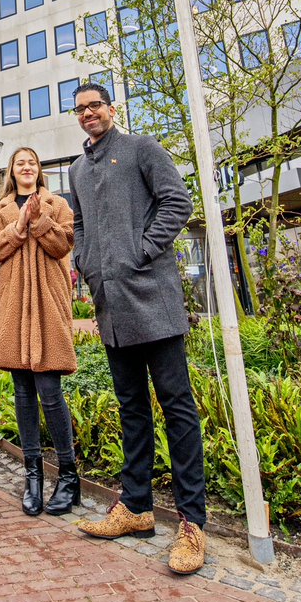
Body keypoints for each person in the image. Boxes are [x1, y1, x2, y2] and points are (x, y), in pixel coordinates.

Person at [66, 83, 207, 575]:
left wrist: (139, 252)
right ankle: (137, 507)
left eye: (95, 106)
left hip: (154, 298)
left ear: (111, 109)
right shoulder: (77, 169)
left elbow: (177, 203)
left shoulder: (142, 148)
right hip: (110, 305)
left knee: (177, 407)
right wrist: (88, 264)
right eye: (81, 109)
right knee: (131, 408)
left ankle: (193, 524)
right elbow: (79, 226)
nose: (89, 114)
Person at [0, 147, 80, 517]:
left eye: (32, 163)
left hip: (47, 303)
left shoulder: (58, 205)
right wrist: (19, 224)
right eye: (19, 163)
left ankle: (69, 477)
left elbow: (62, 245)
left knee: (50, 391)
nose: (26, 167)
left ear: (39, 170)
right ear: (11, 171)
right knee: (22, 392)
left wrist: (39, 221)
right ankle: (33, 476)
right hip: (12, 305)